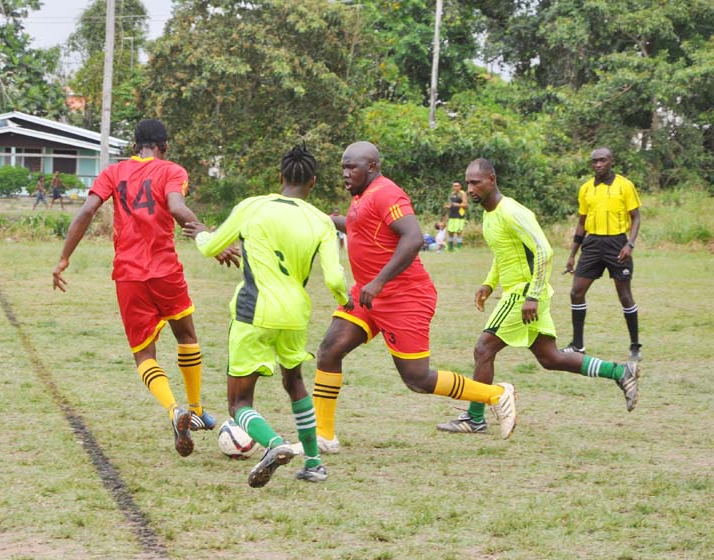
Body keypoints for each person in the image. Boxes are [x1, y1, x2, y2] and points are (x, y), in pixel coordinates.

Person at [52, 119, 239, 458]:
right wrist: (212, 239)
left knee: (144, 354)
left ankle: (175, 411)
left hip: (129, 275)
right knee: (186, 335)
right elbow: (177, 208)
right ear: (164, 146)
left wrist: (64, 257)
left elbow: (87, 210)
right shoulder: (171, 170)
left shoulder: (113, 172)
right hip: (165, 269)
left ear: (134, 146)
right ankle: (194, 409)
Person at [314, 141, 517, 447]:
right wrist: (325, 220)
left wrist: (380, 281)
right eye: (342, 167)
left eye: (351, 167)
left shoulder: (386, 193)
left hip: (404, 297)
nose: (345, 173)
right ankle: (323, 436)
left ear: (371, 167)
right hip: (368, 295)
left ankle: (497, 394)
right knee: (329, 350)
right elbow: (358, 227)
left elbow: (412, 237)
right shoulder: (360, 197)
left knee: (417, 380)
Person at [183, 145, 349, 487]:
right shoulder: (321, 221)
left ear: (280, 177)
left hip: (253, 312)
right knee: (294, 382)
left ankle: (274, 445)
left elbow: (211, 247)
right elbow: (333, 277)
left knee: (238, 402)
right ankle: (314, 462)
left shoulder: (253, 206)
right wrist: (343, 298)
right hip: (295, 315)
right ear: (313, 183)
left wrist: (199, 231)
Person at [437, 159, 639, 434]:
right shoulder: (489, 213)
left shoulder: (511, 211)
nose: (471, 188)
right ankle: (620, 372)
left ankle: (474, 418)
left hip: (524, 293)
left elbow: (544, 251)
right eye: (468, 182)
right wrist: (489, 283)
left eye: (476, 182)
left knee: (483, 349)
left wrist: (532, 296)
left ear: (492, 179)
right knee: (550, 358)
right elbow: (505, 254)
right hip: (522, 291)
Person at [563, 147, 643, 361]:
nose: (598, 164)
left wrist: (630, 244)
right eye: (595, 161)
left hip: (617, 243)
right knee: (576, 292)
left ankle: (635, 346)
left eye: (603, 160)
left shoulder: (624, 186)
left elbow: (635, 217)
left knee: (624, 296)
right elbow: (581, 223)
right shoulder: (586, 189)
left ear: (611, 161)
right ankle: (577, 346)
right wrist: (572, 254)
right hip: (592, 244)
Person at [442, 181, 468, 251]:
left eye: (457, 186)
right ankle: (450, 248)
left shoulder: (462, 193)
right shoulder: (452, 194)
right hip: (452, 215)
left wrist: (458, 205)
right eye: (454, 186)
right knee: (450, 231)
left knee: (458, 232)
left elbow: (466, 205)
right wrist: (448, 206)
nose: (455, 187)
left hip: (459, 215)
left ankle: (459, 248)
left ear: (460, 186)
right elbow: (451, 204)